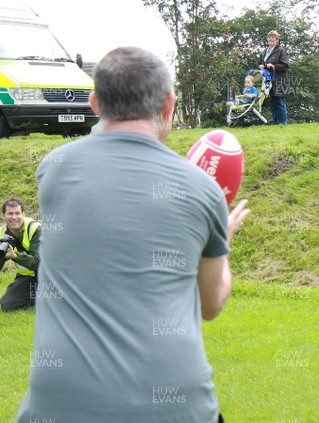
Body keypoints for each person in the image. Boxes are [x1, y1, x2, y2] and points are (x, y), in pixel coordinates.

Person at [16, 47, 249, 422]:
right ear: (169, 104)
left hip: (58, 409)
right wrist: (220, 236)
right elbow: (210, 305)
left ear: (95, 104)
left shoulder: (53, 170)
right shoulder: (202, 190)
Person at [0, 198, 41, 311]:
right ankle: (37, 297)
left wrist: (15, 257)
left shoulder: (35, 229)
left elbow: (37, 262)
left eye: (17, 213)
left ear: (23, 214)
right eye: (10, 214)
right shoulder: (1, 234)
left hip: (50, 275)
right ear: (3, 216)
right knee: (7, 305)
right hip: (28, 277)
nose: (14, 217)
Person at [258, 30, 289, 125]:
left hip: (279, 80)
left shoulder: (281, 51)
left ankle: (282, 124)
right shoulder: (263, 52)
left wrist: (273, 66)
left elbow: (285, 65)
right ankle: (276, 123)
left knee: (280, 102)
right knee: (272, 103)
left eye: (273, 37)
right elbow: (260, 63)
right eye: (269, 37)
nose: (271, 39)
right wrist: (260, 66)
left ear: (277, 40)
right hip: (267, 81)